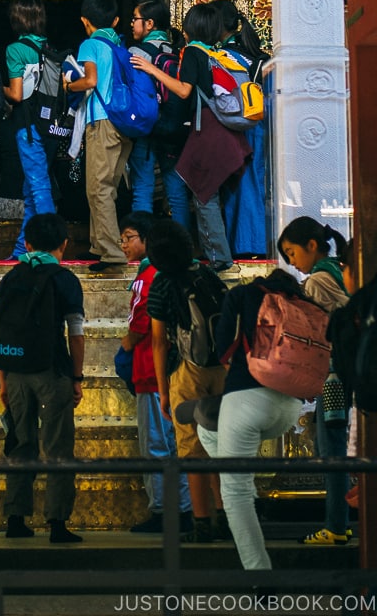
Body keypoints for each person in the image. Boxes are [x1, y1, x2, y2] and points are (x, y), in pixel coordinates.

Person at [193, 267, 306, 570]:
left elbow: (223, 348)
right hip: (290, 407)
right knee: (208, 428)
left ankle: (260, 575)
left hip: (246, 399)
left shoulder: (241, 295)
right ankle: (242, 477)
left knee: (235, 491)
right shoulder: (301, 303)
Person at [0, 211, 85, 544]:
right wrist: (77, 377)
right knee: (58, 445)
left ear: (28, 243)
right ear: (64, 244)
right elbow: (75, 332)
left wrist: (3, 381)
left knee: (20, 445)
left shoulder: (12, 278)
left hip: (15, 372)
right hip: (52, 371)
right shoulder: (64, 279)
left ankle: (16, 518)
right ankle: (58, 523)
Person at [132, 2, 241, 273]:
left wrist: (152, 69)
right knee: (200, 192)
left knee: (204, 196)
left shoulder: (193, 51)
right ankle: (208, 253)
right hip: (226, 129)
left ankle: (218, 259)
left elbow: (183, 91)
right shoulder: (215, 51)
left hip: (206, 130)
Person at [146, 220, 227, 543]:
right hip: (221, 369)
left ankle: (202, 523)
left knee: (193, 450)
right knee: (221, 447)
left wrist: (164, 391)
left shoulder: (163, 284)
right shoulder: (208, 275)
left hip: (186, 372)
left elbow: (158, 342)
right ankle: (226, 517)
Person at [277, 215, 351, 545]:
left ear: (311, 246)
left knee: (330, 448)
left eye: (292, 253)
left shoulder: (317, 280)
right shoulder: (338, 267)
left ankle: (337, 526)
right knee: (326, 445)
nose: (293, 262)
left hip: (333, 375)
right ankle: (344, 516)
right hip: (342, 370)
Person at [119, 212, 193, 535]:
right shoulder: (182, 274)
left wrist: (126, 343)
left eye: (129, 237)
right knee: (181, 443)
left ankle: (165, 511)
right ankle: (190, 509)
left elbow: (141, 323)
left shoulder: (148, 276)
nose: (123, 244)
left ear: (149, 242)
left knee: (157, 444)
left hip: (152, 371)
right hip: (181, 371)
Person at [64, 0, 131, 273]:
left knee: (97, 188)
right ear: (115, 20)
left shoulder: (90, 44)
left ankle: (112, 253)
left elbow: (90, 81)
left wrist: (68, 86)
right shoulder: (119, 44)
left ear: (84, 20)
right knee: (108, 187)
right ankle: (98, 245)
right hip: (123, 123)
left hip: (101, 122)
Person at [211, 0, 270, 258]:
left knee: (241, 184)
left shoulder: (226, 56)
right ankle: (251, 242)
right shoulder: (257, 55)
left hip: (239, 127)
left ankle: (247, 245)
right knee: (254, 182)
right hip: (260, 127)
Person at [126, 0, 191, 228]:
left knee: (142, 188)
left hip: (146, 129)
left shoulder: (137, 51)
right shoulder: (176, 51)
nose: (132, 24)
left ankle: (143, 249)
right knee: (176, 191)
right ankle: (182, 245)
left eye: (135, 19)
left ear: (150, 24)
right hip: (173, 129)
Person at [3, 0, 59, 260]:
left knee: (38, 187)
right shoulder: (48, 46)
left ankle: (50, 246)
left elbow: (16, 94)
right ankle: (19, 250)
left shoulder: (15, 49)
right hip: (50, 126)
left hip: (27, 125)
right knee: (31, 189)